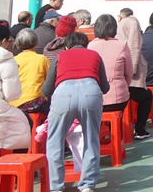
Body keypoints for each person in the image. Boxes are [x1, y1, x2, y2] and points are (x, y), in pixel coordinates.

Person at [41, 32, 109, 192]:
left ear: (66, 45)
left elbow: (46, 89)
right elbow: (105, 87)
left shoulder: (60, 56)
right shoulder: (95, 56)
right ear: (86, 45)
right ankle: (87, 185)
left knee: (54, 140)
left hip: (63, 93)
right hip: (91, 92)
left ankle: (55, 186)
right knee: (91, 138)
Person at [88, 14, 134, 125]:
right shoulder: (122, 45)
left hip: (93, 97)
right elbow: (129, 73)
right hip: (117, 98)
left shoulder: (90, 46)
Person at [116, 12, 153, 139]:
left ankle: (115, 131)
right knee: (146, 95)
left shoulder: (94, 45)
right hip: (126, 81)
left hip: (107, 89)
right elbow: (134, 47)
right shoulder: (132, 23)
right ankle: (140, 128)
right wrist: (133, 70)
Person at [10, 29, 50, 114]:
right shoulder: (42, 59)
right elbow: (50, 80)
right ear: (35, 42)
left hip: (14, 103)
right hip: (35, 102)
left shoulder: (13, 60)